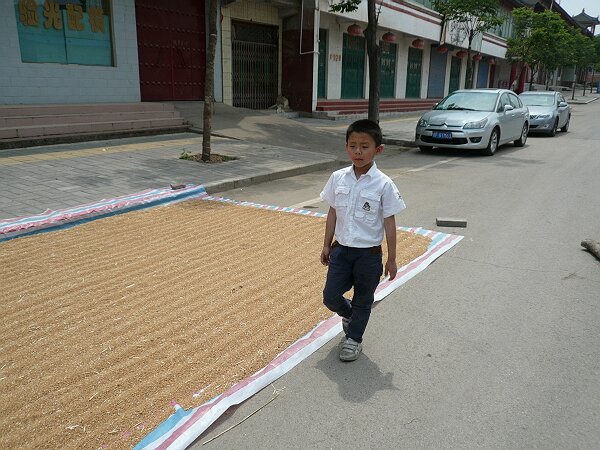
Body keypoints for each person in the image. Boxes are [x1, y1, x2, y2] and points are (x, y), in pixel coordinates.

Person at [320, 119, 406, 362]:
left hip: (368, 256)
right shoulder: (338, 178)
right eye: (353, 145)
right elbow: (333, 212)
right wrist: (326, 244)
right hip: (341, 252)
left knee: (364, 300)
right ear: (346, 147)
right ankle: (349, 315)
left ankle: (354, 339)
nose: (358, 151)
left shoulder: (384, 184)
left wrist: (392, 259)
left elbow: (390, 222)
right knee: (330, 296)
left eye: (365, 146)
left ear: (378, 149)